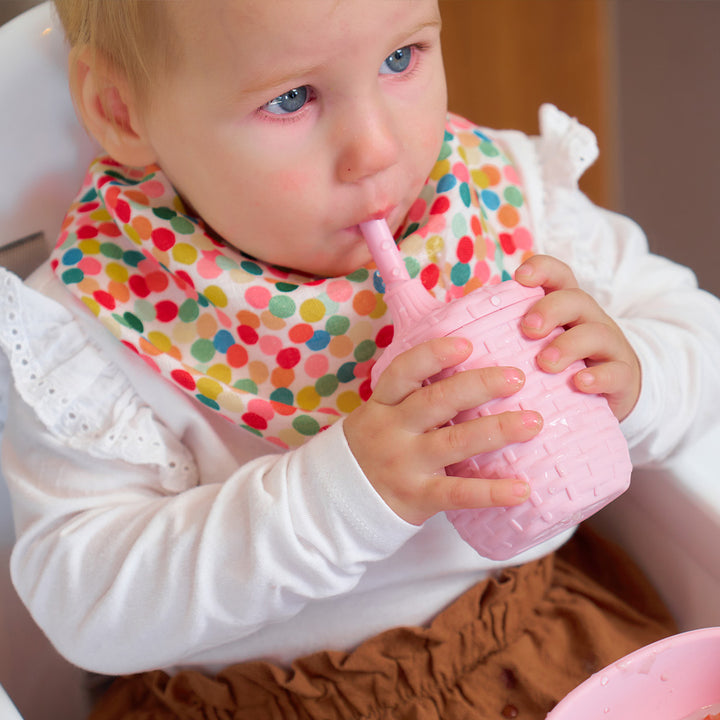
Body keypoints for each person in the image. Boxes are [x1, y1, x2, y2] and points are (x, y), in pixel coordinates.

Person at [1, 0, 719, 717]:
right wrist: (342, 496)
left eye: (401, 58)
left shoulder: (509, 203)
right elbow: (88, 604)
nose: (376, 147)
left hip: (536, 645)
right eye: (290, 99)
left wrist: (633, 378)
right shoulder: (92, 333)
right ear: (122, 111)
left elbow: (701, 341)